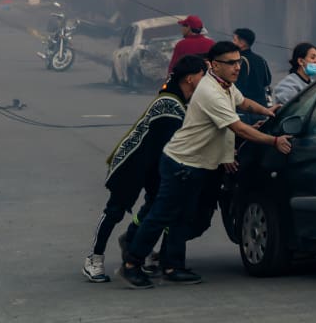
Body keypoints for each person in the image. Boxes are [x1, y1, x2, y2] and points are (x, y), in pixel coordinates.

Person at [120, 41, 292, 288]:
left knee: (183, 217)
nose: (237, 68)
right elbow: (239, 127)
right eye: (230, 63)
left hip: (198, 165)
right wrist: (274, 141)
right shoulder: (210, 91)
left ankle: (173, 266)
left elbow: (244, 103)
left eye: (238, 62)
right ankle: (132, 264)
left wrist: (268, 111)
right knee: (161, 215)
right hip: (182, 162)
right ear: (213, 65)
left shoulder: (226, 86)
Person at [82, 56, 206, 283]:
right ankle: (94, 258)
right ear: (190, 78)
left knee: (155, 207)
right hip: (132, 162)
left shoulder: (182, 100)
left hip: (155, 163)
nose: (205, 79)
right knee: (115, 211)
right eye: (202, 74)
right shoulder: (169, 103)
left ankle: (132, 243)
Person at [232, 27, 272, 124]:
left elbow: (236, 86)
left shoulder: (239, 61)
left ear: (242, 43)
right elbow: (267, 81)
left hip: (246, 110)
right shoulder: (261, 59)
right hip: (262, 107)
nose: (232, 42)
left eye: (234, 39)